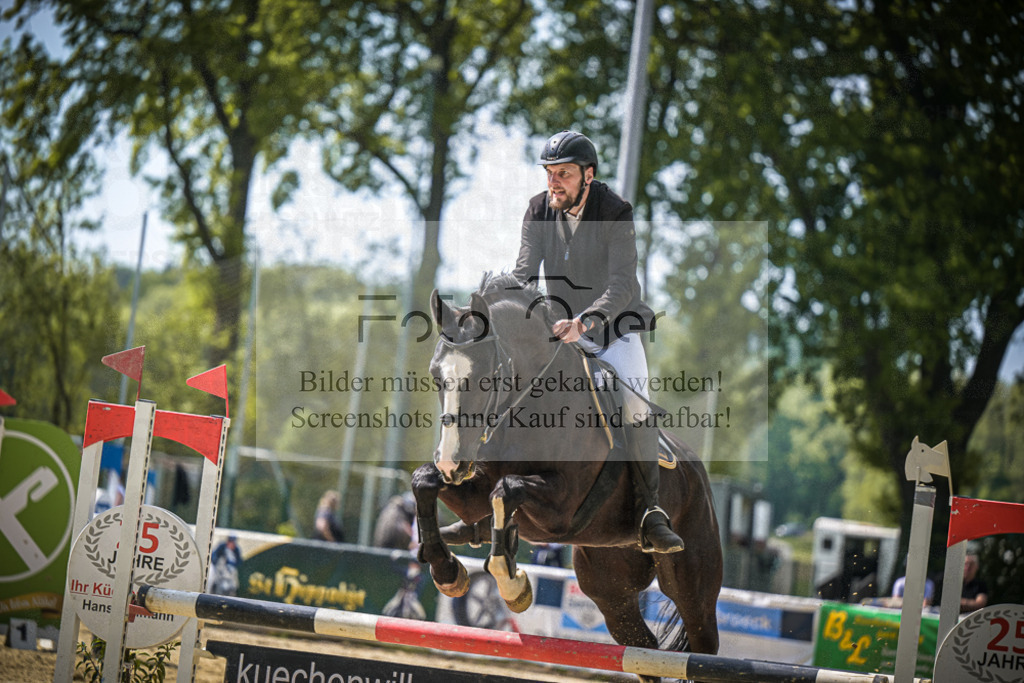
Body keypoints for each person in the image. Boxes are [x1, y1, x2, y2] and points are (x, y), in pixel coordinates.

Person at [512, 129, 683, 554]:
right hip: (559, 332)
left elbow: (622, 285)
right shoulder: (538, 209)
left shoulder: (615, 210)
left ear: (588, 175)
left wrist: (584, 322)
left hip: (613, 331)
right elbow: (523, 273)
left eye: (564, 174)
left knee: (635, 405)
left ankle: (649, 512)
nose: (554, 182)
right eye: (550, 173)